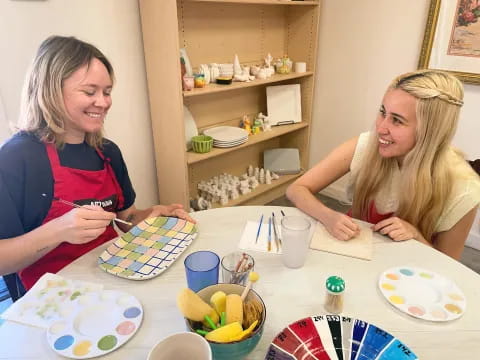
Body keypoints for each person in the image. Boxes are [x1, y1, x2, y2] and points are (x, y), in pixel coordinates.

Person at [0, 35, 194, 291]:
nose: (103, 103)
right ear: (51, 89)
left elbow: (127, 218)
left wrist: (151, 215)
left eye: (107, 92)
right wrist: (59, 230)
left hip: (112, 281)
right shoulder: (16, 159)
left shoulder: (108, 152)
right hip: (51, 300)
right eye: (90, 92)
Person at [287, 69, 480, 260]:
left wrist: (416, 236)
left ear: (430, 132)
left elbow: (448, 269)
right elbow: (297, 188)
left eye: (397, 120)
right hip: (355, 255)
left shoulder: (465, 190)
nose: (380, 128)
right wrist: (328, 216)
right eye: (382, 112)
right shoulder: (366, 146)